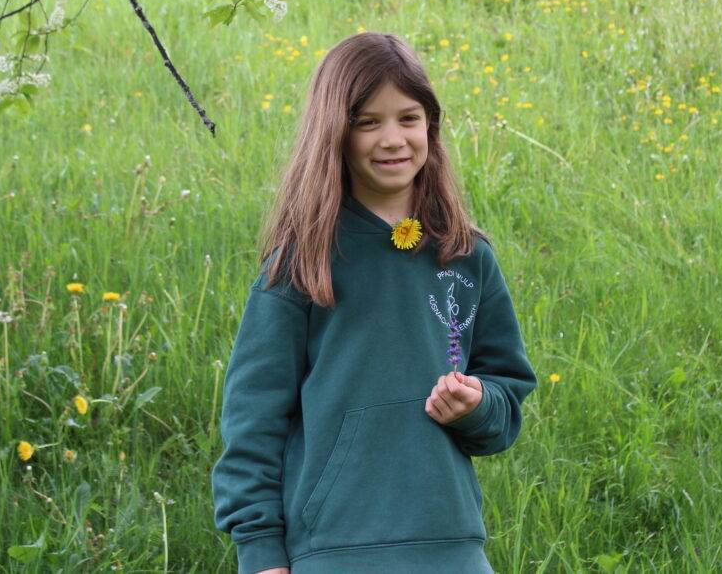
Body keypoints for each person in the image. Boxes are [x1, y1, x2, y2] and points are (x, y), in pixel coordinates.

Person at [211, 31, 538, 574]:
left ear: (430, 126)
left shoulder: (466, 256)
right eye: (368, 122)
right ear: (334, 132)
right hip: (333, 551)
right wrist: (260, 550)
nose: (393, 139)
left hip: (451, 547)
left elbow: (505, 400)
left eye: (409, 118)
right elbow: (253, 419)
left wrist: (477, 405)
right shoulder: (301, 263)